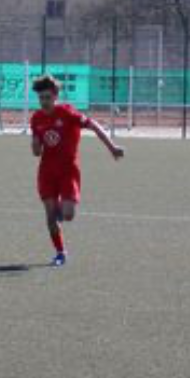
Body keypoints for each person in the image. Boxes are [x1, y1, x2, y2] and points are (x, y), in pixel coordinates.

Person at [30, 75, 124, 267]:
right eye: (41, 98)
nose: (44, 102)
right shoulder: (36, 118)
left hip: (68, 171)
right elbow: (36, 152)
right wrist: (35, 144)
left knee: (68, 215)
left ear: (56, 96)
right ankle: (60, 252)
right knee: (50, 217)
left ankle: (58, 210)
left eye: (47, 97)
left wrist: (112, 147)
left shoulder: (67, 113)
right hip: (47, 172)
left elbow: (94, 126)